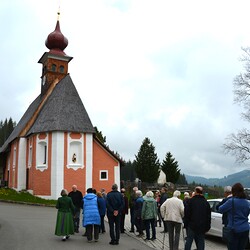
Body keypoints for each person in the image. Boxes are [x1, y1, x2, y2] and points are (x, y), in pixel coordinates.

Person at [218, 183, 250, 250]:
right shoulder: (247, 202)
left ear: (233, 191)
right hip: (245, 229)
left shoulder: (231, 201)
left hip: (234, 229)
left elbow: (220, 209)